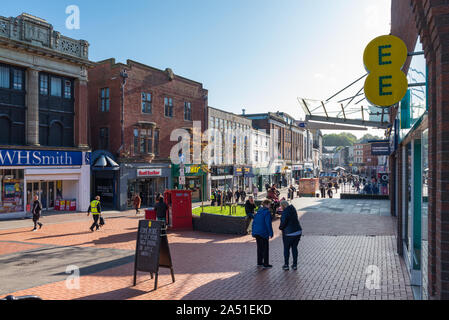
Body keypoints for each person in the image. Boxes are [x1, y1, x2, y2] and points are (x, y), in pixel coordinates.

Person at [279, 200, 302, 271]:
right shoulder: (293, 209)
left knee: (286, 249)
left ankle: (286, 265)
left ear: (283, 206)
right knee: (294, 248)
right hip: (298, 231)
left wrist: (280, 227)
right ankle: (295, 265)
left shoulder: (285, 212)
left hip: (289, 233)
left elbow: (283, 223)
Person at [251, 200, 274, 268]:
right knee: (265, 248)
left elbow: (254, 222)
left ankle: (259, 262)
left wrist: (253, 232)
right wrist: (271, 233)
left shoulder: (258, 211)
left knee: (259, 248)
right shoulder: (267, 212)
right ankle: (266, 264)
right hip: (263, 232)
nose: (270, 206)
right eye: (269, 204)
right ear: (266, 205)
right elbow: (268, 224)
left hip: (257, 232)